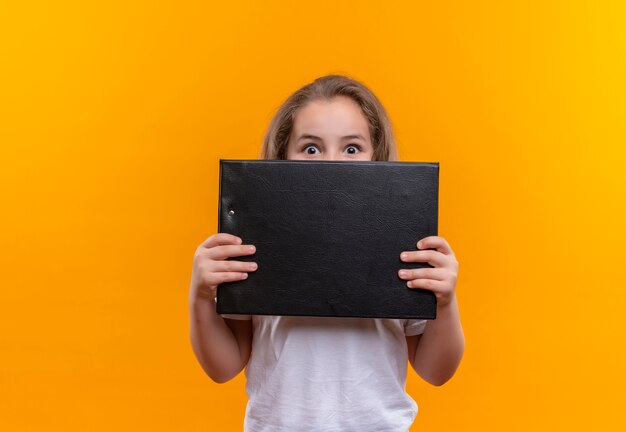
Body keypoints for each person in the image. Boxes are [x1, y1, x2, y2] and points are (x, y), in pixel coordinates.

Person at [189, 74, 465, 431]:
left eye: (352, 148)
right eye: (311, 148)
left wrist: (445, 302)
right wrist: (199, 296)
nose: (331, 161)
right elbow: (224, 367)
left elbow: (435, 371)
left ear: (376, 156)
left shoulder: (402, 244)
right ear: (283, 156)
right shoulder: (257, 242)